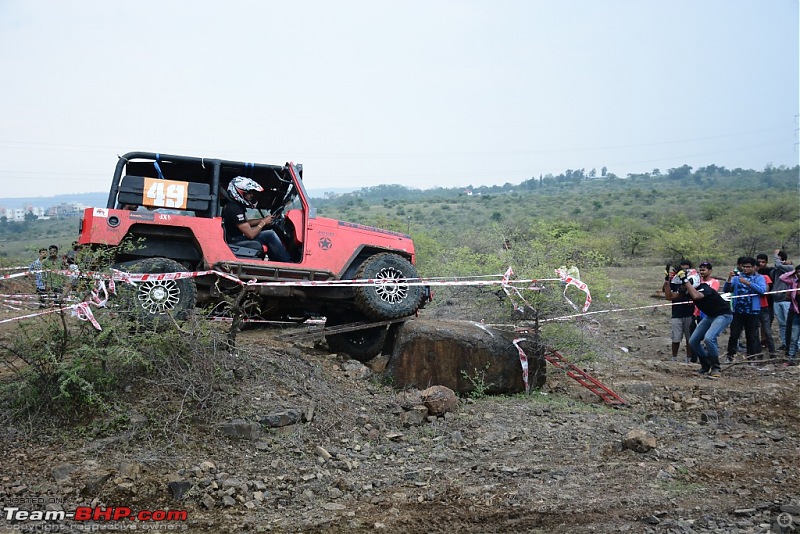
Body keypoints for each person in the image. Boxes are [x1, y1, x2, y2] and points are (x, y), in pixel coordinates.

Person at [677, 268, 733, 378]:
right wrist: (667, 280)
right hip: (711, 316)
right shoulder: (690, 291)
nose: (683, 287)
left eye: (685, 284)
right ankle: (705, 365)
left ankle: (716, 367)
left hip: (723, 315)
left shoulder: (704, 288)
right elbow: (669, 296)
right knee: (693, 341)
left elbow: (697, 296)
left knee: (709, 338)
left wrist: (685, 280)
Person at [222, 177, 292, 263]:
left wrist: (263, 220)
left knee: (268, 232)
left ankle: (276, 262)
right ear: (239, 192)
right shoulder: (234, 209)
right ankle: (288, 263)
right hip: (235, 240)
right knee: (270, 235)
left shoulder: (234, 206)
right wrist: (263, 223)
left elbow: (245, 223)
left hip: (234, 238)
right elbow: (250, 234)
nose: (251, 195)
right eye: (249, 193)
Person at [723, 257, 766, 361]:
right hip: (738, 311)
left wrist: (748, 283)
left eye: (748, 267)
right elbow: (727, 290)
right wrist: (729, 279)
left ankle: (751, 357)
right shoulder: (737, 278)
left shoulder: (759, 278)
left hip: (752, 311)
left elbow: (762, 291)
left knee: (751, 336)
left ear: (754, 267)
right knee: (734, 335)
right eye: (744, 267)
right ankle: (730, 356)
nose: (746, 269)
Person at [663, 260, 695, 362]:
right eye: (682, 268)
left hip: (690, 312)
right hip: (676, 313)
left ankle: (689, 358)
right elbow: (666, 292)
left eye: (686, 268)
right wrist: (667, 279)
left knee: (689, 338)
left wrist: (684, 279)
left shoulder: (693, 280)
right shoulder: (675, 280)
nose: (684, 270)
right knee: (676, 337)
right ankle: (674, 358)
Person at [771, 249, 794, 352]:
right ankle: (785, 343)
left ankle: (794, 344)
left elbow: (779, 265)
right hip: (776, 299)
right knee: (781, 323)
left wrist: (776, 255)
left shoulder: (789, 268)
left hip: (786, 300)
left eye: (778, 258)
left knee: (789, 323)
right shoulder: (775, 270)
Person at [778, 265, 800, 366]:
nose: (799, 273)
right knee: (794, 337)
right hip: (797, 313)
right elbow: (782, 277)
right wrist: (793, 272)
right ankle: (791, 358)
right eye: (798, 272)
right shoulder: (794, 282)